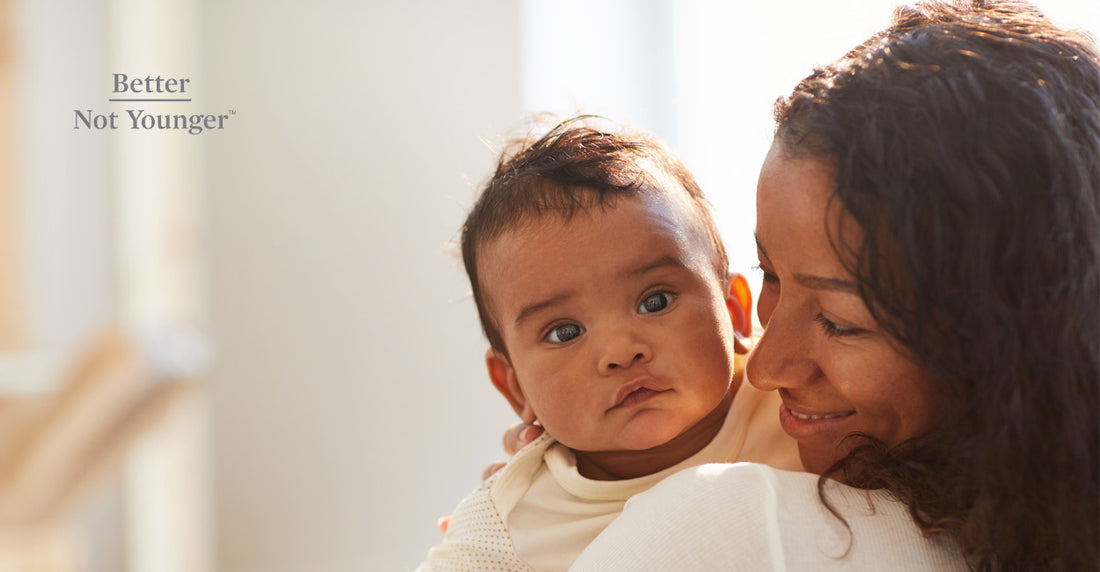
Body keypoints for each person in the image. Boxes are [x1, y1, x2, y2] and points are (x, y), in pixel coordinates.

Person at [507, 2, 1099, 570]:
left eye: (840, 321)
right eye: (770, 275)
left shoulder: (725, 524)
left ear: (1014, 341)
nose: (762, 366)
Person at [416, 118, 800, 571]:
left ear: (733, 311)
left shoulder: (796, 398)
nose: (620, 351)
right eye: (565, 332)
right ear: (515, 387)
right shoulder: (508, 523)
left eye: (655, 301)